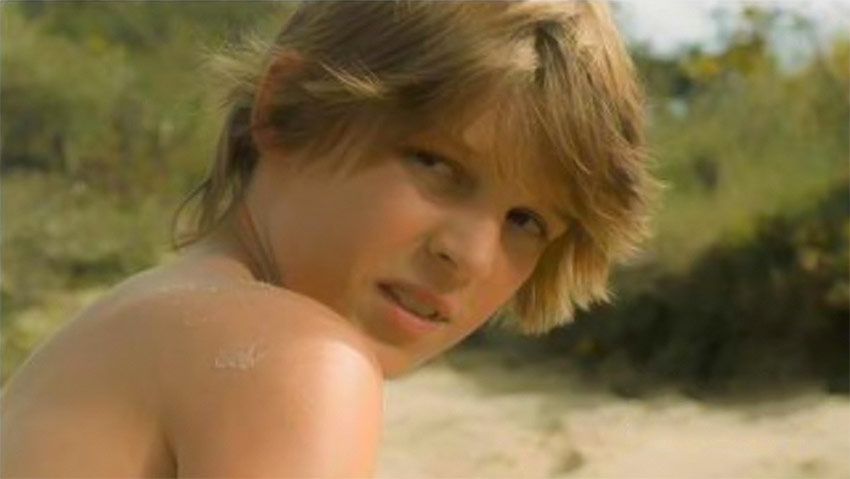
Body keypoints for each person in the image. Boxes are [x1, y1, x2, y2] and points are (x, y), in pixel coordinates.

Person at [1, 2, 655, 477]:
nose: (470, 256)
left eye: (526, 221)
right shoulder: (291, 358)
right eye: (435, 163)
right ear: (285, 108)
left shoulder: (136, 322)